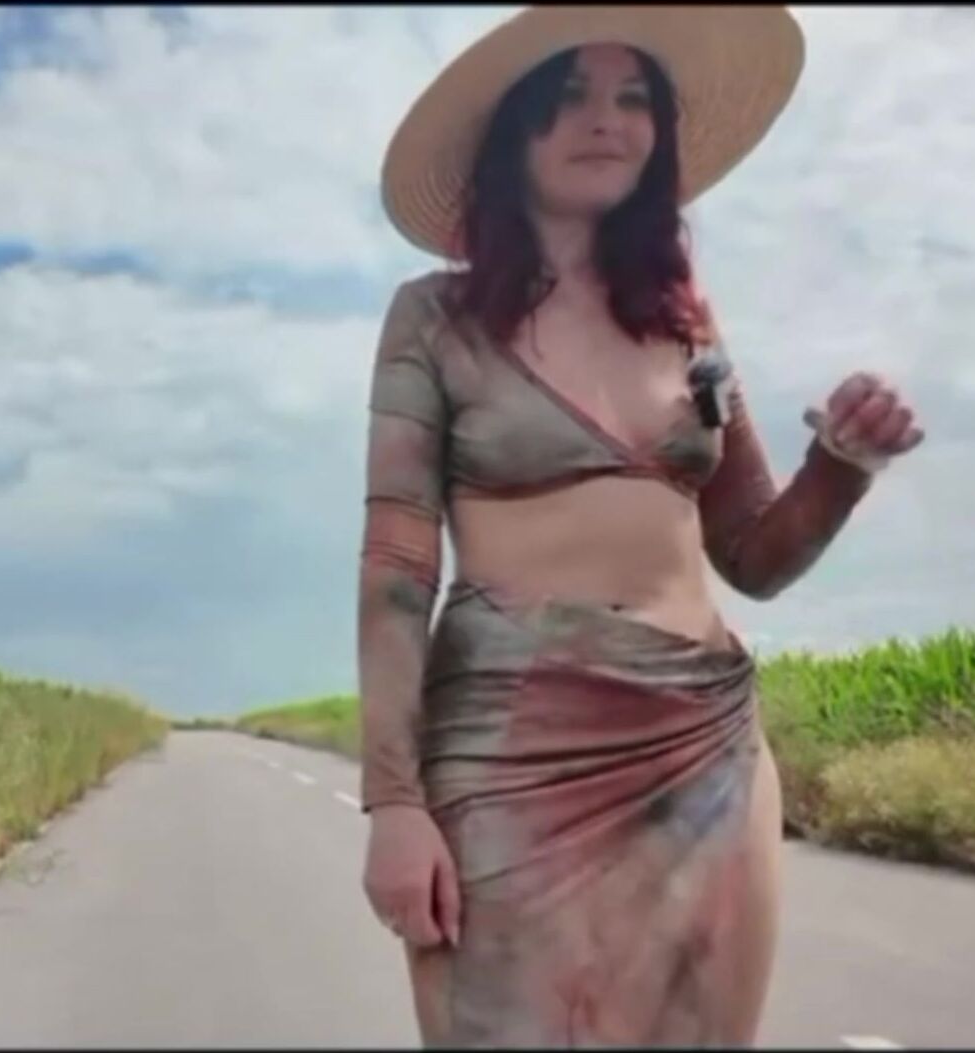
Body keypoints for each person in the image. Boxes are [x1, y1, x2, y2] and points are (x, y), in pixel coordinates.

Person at [355, 6, 923, 1048]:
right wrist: (392, 802)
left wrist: (842, 466)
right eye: (568, 95)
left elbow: (752, 553)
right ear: (511, 134)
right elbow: (396, 564)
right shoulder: (431, 318)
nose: (604, 120)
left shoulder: (684, 321)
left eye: (632, 98)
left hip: (703, 743)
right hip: (512, 750)